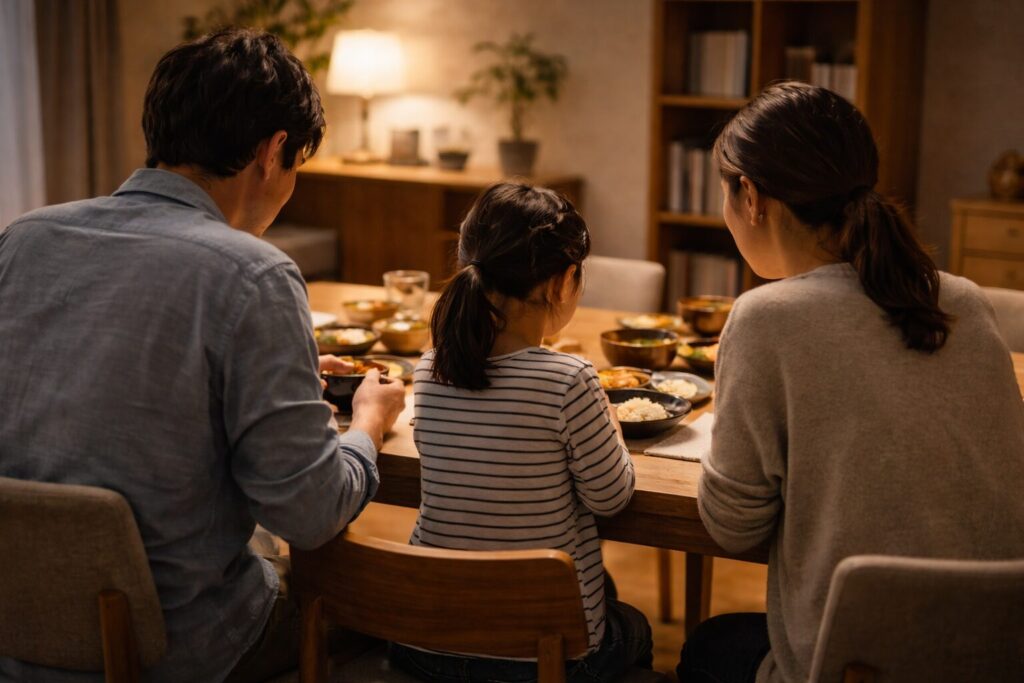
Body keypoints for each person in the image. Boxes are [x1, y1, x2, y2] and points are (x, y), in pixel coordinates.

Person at [0, 28, 406, 682]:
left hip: (19, 632)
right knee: (363, 604)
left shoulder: (23, 240)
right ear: (274, 153)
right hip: (173, 648)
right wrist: (369, 420)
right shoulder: (255, 275)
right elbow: (311, 511)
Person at [677, 81, 1024, 683]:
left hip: (856, 665)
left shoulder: (765, 319)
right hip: (996, 652)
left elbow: (733, 528)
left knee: (704, 647)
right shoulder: (965, 299)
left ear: (752, 198)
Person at [387, 183, 653, 683]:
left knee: (603, 587)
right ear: (562, 282)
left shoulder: (429, 369)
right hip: (538, 659)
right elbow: (611, 497)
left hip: (427, 641)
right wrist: (610, 425)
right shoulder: (570, 379)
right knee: (634, 627)